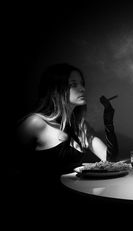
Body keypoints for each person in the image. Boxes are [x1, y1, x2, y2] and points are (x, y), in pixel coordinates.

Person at [15, 63, 119, 204]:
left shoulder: (80, 127)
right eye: (73, 84)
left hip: (78, 197)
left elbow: (110, 161)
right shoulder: (36, 122)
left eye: (82, 84)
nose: (82, 89)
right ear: (56, 89)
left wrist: (108, 122)